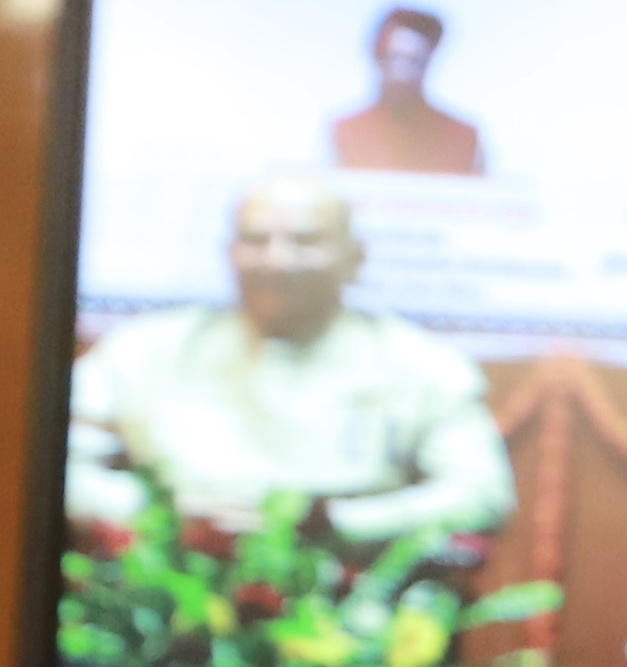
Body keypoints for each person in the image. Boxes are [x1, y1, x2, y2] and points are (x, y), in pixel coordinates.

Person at [64, 173, 512, 550]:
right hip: (162, 589)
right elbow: (49, 468)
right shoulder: (144, 351)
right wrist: (164, 520)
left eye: (305, 240)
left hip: (349, 597)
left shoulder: (419, 364)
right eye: (256, 240)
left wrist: (337, 525)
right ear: (229, 254)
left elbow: (481, 494)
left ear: (356, 260)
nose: (276, 260)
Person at [328, 6, 484, 177]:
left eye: (413, 61)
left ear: (427, 63)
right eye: (394, 58)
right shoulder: (346, 131)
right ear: (378, 59)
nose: (402, 73)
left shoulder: (463, 137)